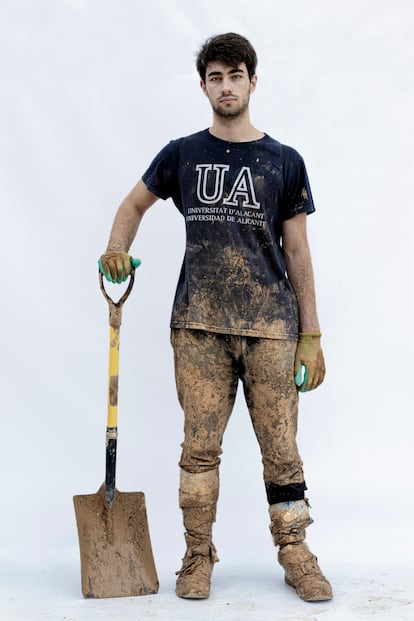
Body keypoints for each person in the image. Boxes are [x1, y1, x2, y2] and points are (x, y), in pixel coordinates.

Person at [99, 32, 333, 603]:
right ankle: (197, 554)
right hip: (198, 324)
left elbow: (298, 250)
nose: (225, 86)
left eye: (235, 75)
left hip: (272, 329)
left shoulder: (284, 160)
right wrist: (115, 247)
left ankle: (295, 549)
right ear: (203, 85)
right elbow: (134, 204)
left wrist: (312, 334)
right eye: (215, 77)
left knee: (281, 450)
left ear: (253, 80)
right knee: (199, 448)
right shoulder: (182, 153)